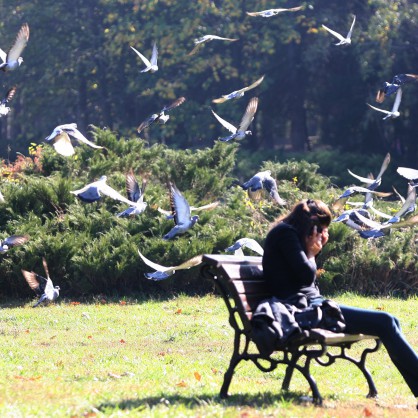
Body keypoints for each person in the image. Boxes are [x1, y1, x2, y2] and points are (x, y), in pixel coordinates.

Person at [262, 198, 418, 406]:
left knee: (392, 323)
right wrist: (312, 251)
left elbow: (303, 276)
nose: (322, 233)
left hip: (311, 305)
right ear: (311, 224)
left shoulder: (290, 233)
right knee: (386, 322)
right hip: (302, 311)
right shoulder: (285, 234)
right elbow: (307, 276)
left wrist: (313, 249)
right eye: (321, 229)